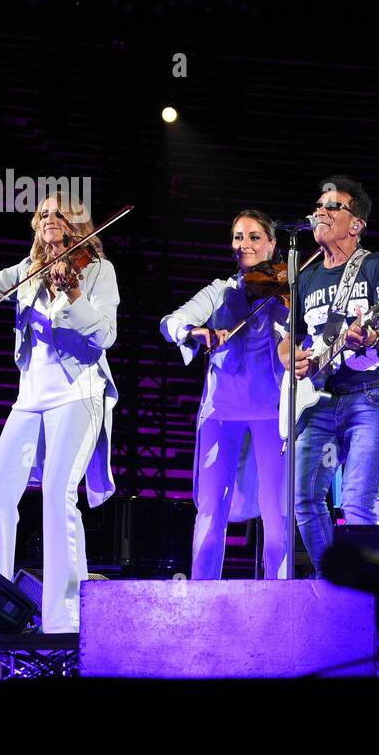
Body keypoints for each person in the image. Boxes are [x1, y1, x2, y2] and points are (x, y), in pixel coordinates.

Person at [0, 192, 119, 633]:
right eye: (42, 214)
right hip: (30, 398)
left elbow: (106, 336)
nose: (49, 220)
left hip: (78, 393)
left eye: (59, 214)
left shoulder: (97, 271)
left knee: (59, 493)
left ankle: (64, 618)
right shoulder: (25, 271)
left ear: (77, 224)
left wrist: (74, 293)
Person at [277, 175, 379, 576]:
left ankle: (366, 605)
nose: (320, 211)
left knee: (355, 503)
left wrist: (368, 335)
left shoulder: (378, 265)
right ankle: (335, 584)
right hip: (322, 398)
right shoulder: (307, 277)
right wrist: (290, 358)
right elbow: (288, 339)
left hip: (373, 394)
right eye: (318, 205)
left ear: (356, 224)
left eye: (332, 206)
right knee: (303, 499)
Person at [160, 210, 289, 580]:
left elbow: (311, 335)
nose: (243, 245)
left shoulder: (286, 290)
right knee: (211, 507)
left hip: (271, 408)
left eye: (253, 237)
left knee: (274, 508)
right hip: (222, 409)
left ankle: (277, 593)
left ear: (272, 243)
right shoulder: (221, 290)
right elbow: (171, 323)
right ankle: (203, 593)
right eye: (237, 237)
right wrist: (195, 332)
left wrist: (289, 308)